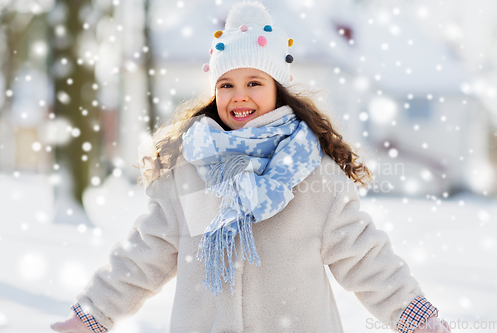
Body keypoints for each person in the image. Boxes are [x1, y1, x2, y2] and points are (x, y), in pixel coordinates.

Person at [51, 2, 453, 332]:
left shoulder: (314, 174)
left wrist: (414, 317)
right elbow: (146, 254)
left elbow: (365, 256)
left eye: (254, 82)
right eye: (227, 84)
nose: (239, 96)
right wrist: (92, 316)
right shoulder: (192, 172)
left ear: (278, 89)